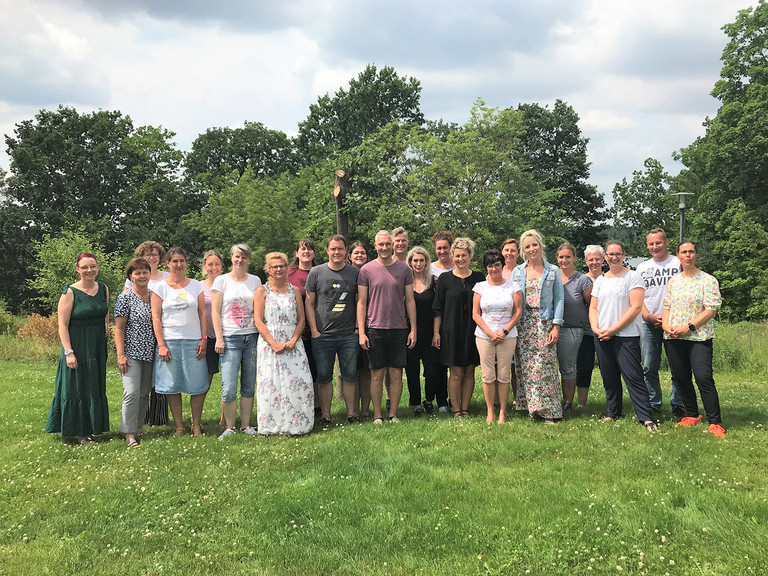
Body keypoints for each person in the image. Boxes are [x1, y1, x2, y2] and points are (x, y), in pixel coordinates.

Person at [589, 240, 656, 431]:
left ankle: (645, 416)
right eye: (610, 254)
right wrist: (596, 328)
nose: (614, 257)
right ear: (605, 257)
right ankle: (613, 412)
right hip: (602, 335)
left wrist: (614, 330)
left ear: (623, 255)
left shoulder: (633, 277)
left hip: (626, 335)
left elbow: (635, 307)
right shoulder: (600, 280)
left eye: (617, 254)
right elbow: (594, 307)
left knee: (633, 376)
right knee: (609, 377)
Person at [662, 241, 725, 437]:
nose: (687, 255)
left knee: (703, 377)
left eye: (691, 252)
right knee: (681, 378)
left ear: (696, 255)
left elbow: (711, 309)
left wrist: (689, 327)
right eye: (684, 252)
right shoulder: (674, 281)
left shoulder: (708, 280)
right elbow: (667, 307)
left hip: (699, 337)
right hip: (673, 337)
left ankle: (715, 422)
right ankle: (691, 414)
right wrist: (665, 326)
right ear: (678, 255)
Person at [46, 253, 110, 444]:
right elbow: (62, 325)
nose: (89, 270)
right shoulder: (70, 292)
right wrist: (68, 352)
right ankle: (78, 432)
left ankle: (93, 428)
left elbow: (104, 313)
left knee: (94, 387)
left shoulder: (103, 289)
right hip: (77, 345)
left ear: (98, 267)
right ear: (78, 270)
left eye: (92, 266)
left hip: (97, 346)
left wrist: (106, 328)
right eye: (85, 267)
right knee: (76, 388)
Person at [357, 230, 417, 423]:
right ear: (375, 246)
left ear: (392, 245)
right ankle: (377, 415)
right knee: (376, 374)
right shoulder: (366, 270)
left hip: (399, 328)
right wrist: (361, 331)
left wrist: (413, 329)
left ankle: (393, 414)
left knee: (396, 373)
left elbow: (410, 300)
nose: (384, 248)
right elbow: (362, 302)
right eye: (380, 244)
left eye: (387, 244)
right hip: (374, 328)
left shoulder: (404, 270)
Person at [151, 247, 209, 436]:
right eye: (174, 261)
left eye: (182, 260)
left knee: (197, 385)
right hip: (170, 341)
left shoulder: (195, 285)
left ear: (186, 263)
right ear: (167, 263)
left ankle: (196, 425)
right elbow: (156, 318)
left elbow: (202, 312)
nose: (179, 264)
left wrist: (203, 338)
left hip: (193, 340)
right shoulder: (160, 287)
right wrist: (161, 344)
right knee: (172, 385)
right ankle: (179, 426)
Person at [254, 252, 314, 435]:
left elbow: (301, 319)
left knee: (300, 381)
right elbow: (258, 320)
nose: (278, 269)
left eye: (281, 266)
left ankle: (298, 423)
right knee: (271, 383)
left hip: (292, 342)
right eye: (274, 267)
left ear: (287, 268)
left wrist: (294, 340)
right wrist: (273, 343)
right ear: (268, 270)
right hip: (269, 343)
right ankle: (273, 425)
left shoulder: (294, 290)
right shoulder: (261, 291)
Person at [305, 235, 360, 424]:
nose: (337, 252)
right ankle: (326, 415)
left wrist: (357, 328)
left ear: (346, 251)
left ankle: (351, 413)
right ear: (327, 250)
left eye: (340, 249)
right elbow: (309, 302)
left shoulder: (354, 273)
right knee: (324, 376)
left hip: (348, 335)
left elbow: (360, 301)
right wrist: (314, 330)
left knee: (350, 375)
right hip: (323, 335)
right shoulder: (316, 272)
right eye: (333, 249)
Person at [510, 230, 564, 423]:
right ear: (523, 251)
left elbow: (559, 299)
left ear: (541, 245)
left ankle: (550, 411)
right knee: (527, 367)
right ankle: (533, 410)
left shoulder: (553, 271)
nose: (532, 249)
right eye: (527, 247)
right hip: (524, 323)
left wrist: (556, 326)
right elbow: (513, 298)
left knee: (545, 367)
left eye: (535, 245)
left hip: (544, 323)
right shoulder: (518, 272)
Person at [212, 244, 261, 439]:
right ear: (231, 258)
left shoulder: (255, 281)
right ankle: (229, 428)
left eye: (244, 257)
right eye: (237, 256)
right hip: (230, 338)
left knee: (249, 385)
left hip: (252, 337)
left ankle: (246, 426)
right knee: (229, 386)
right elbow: (215, 312)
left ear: (249, 260)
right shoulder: (221, 281)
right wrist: (219, 338)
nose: (240, 260)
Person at [433, 237, 484, 417]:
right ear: (453, 257)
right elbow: (437, 307)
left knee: (470, 370)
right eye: (457, 256)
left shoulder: (479, 278)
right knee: (455, 371)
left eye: (464, 255)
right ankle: (456, 410)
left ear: (470, 256)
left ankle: (465, 408)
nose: (460, 259)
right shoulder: (445, 278)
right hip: (451, 331)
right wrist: (436, 333)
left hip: (472, 331)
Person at [636, 228, 684, 416]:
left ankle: (678, 403)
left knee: (678, 366)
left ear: (666, 242)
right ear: (647, 245)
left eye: (658, 242)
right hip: (649, 323)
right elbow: (637, 297)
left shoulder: (678, 263)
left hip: (675, 324)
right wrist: (646, 315)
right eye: (651, 244)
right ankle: (653, 402)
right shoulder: (642, 268)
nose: (655, 247)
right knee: (648, 366)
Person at [472, 249, 522, 424]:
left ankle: (502, 412)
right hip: (484, 336)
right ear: (486, 267)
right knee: (487, 375)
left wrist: (505, 331)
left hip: (507, 336)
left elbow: (518, 312)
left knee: (504, 375)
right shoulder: (480, 286)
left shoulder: (513, 286)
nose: (494, 269)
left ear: (502, 265)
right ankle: (490, 411)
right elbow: (476, 314)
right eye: (490, 266)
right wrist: (490, 332)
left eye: (497, 265)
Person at [125, 241, 170, 427]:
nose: (151, 257)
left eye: (155, 254)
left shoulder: (167, 276)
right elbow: (127, 307)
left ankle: (158, 419)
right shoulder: (133, 278)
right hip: (139, 336)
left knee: (160, 378)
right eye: (147, 254)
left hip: (164, 332)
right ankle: (138, 421)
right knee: (139, 383)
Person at [115, 257, 156, 448]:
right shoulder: (125, 298)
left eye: (144, 272)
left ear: (149, 274)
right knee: (131, 392)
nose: (141, 276)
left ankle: (139, 427)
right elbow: (119, 328)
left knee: (144, 393)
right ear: (130, 276)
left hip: (150, 352)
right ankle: (129, 433)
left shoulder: (155, 296)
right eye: (137, 273)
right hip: (130, 353)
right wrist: (120, 354)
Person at [405, 246, 447, 416]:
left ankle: (429, 400)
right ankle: (416, 403)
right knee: (412, 371)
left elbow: (438, 310)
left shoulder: (435, 282)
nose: (418, 263)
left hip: (431, 333)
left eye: (422, 260)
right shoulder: (405, 282)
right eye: (415, 260)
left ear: (427, 262)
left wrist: (437, 333)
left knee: (431, 371)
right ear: (410, 262)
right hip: (410, 333)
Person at [556, 243, 593, 412]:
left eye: (568, 257)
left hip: (572, 329)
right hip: (551, 328)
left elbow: (591, 305)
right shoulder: (552, 277)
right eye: (561, 257)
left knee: (568, 368)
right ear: (557, 259)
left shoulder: (582, 280)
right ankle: (552, 400)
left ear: (574, 258)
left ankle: (568, 403)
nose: (564, 260)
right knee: (549, 366)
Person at [287, 238, 320, 417]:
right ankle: (297, 405)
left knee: (316, 369)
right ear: (297, 253)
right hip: (295, 331)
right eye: (302, 249)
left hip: (318, 328)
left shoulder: (321, 271)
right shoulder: (288, 273)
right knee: (297, 370)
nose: (306, 252)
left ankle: (316, 407)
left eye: (309, 249)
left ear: (314, 253)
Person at [575, 244, 605, 406]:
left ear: (603, 259)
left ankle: (612, 401)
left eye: (597, 259)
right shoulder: (580, 279)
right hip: (585, 331)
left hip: (605, 330)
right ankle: (581, 404)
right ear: (586, 261)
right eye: (590, 259)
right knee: (583, 367)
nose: (594, 262)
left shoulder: (609, 278)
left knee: (607, 368)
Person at [348, 241, 372, 418]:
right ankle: (353, 410)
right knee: (352, 372)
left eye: (362, 253)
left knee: (366, 371)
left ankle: (365, 409)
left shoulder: (371, 272)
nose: (359, 256)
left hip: (369, 327)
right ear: (350, 256)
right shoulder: (346, 274)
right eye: (356, 253)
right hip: (348, 329)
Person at [200, 250, 224, 426]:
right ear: (204, 266)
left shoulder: (228, 284)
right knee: (205, 380)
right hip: (208, 337)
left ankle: (225, 419)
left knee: (228, 381)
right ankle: (196, 419)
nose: (214, 268)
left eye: (217, 264)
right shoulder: (198, 286)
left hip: (228, 335)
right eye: (210, 264)